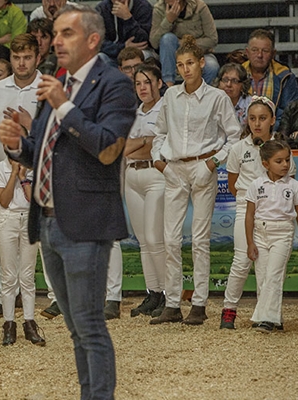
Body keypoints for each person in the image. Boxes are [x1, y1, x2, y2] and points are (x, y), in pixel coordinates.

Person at [0, 4, 135, 397]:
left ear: (92, 39)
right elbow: (42, 150)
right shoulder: (57, 81)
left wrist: (64, 106)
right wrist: (17, 146)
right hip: (50, 220)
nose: (55, 41)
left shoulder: (113, 84)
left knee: (90, 325)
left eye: (66, 34)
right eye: (55, 34)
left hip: (86, 221)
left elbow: (108, 149)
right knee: (76, 329)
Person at [150, 35, 242, 326]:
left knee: (200, 240)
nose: (185, 69)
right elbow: (160, 133)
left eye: (190, 63)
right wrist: (159, 161)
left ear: (202, 63)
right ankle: (173, 302)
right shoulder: (170, 96)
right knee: (170, 239)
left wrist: (213, 163)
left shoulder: (216, 98)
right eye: (180, 65)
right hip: (175, 168)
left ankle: (199, 304)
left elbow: (234, 136)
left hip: (204, 167)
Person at [0, 34, 43, 318]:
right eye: (16, 58)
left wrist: (32, 123)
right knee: (0, 236)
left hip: (40, 172)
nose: (22, 62)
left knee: (43, 239)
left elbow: (60, 135)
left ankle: (53, 298)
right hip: (3, 172)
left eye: (27, 57)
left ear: (38, 58)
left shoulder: (48, 88)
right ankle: (6, 298)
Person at [220, 96, 295, 330]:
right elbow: (233, 184)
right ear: (246, 120)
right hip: (246, 207)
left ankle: (269, 316)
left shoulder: (282, 149)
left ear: (272, 120)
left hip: (274, 213)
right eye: (252, 118)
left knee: (271, 268)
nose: (257, 123)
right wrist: (251, 201)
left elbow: (288, 185)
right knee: (242, 259)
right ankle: (228, 309)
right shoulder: (237, 148)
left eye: (262, 118)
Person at [245, 140, 298, 333]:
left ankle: (265, 319)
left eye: (287, 160)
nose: (285, 165)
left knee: (274, 275)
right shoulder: (256, 185)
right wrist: (250, 242)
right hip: (260, 233)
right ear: (265, 163)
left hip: (283, 233)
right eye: (278, 161)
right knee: (263, 277)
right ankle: (275, 318)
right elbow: (249, 215)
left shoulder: (294, 186)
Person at [124, 64, 166, 318]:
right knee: (142, 241)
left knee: (154, 238)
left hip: (155, 175)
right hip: (132, 175)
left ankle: (169, 296)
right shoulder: (134, 113)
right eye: (138, 83)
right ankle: (154, 293)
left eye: (147, 82)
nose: (142, 88)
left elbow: (156, 146)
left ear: (159, 83)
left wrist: (136, 144)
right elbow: (124, 147)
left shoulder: (165, 110)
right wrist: (142, 142)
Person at [0, 158, 44, 346]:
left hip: (29, 219)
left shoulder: (35, 167)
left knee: (27, 275)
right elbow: (4, 201)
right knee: (8, 275)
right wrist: (13, 174)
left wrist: (23, 177)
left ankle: (29, 322)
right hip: (8, 219)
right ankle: (9, 323)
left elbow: (35, 200)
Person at [149, 0, 219, 88]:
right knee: (168, 39)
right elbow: (154, 42)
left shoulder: (199, 6)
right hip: (172, 55)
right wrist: (168, 21)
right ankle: (168, 86)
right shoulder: (159, 8)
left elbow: (212, 39)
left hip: (199, 52)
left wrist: (186, 44)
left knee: (212, 66)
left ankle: (199, 94)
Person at [242, 29, 298, 129]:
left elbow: (288, 115)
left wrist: (267, 131)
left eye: (265, 51)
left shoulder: (285, 77)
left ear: (273, 54)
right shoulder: (237, 75)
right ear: (247, 52)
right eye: (254, 50)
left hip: (274, 134)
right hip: (239, 134)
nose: (259, 55)